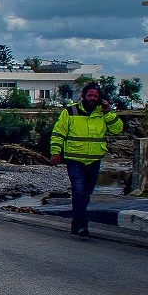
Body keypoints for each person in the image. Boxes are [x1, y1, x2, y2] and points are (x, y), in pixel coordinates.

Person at [49, 81, 123, 238]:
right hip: (75, 160)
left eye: (96, 96)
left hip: (94, 161)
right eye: (90, 95)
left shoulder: (102, 113)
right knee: (79, 192)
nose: (92, 98)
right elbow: (58, 133)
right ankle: (81, 225)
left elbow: (117, 129)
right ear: (83, 96)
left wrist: (108, 113)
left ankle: (76, 222)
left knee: (86, 194)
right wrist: (55, 152)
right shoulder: (70, 112)